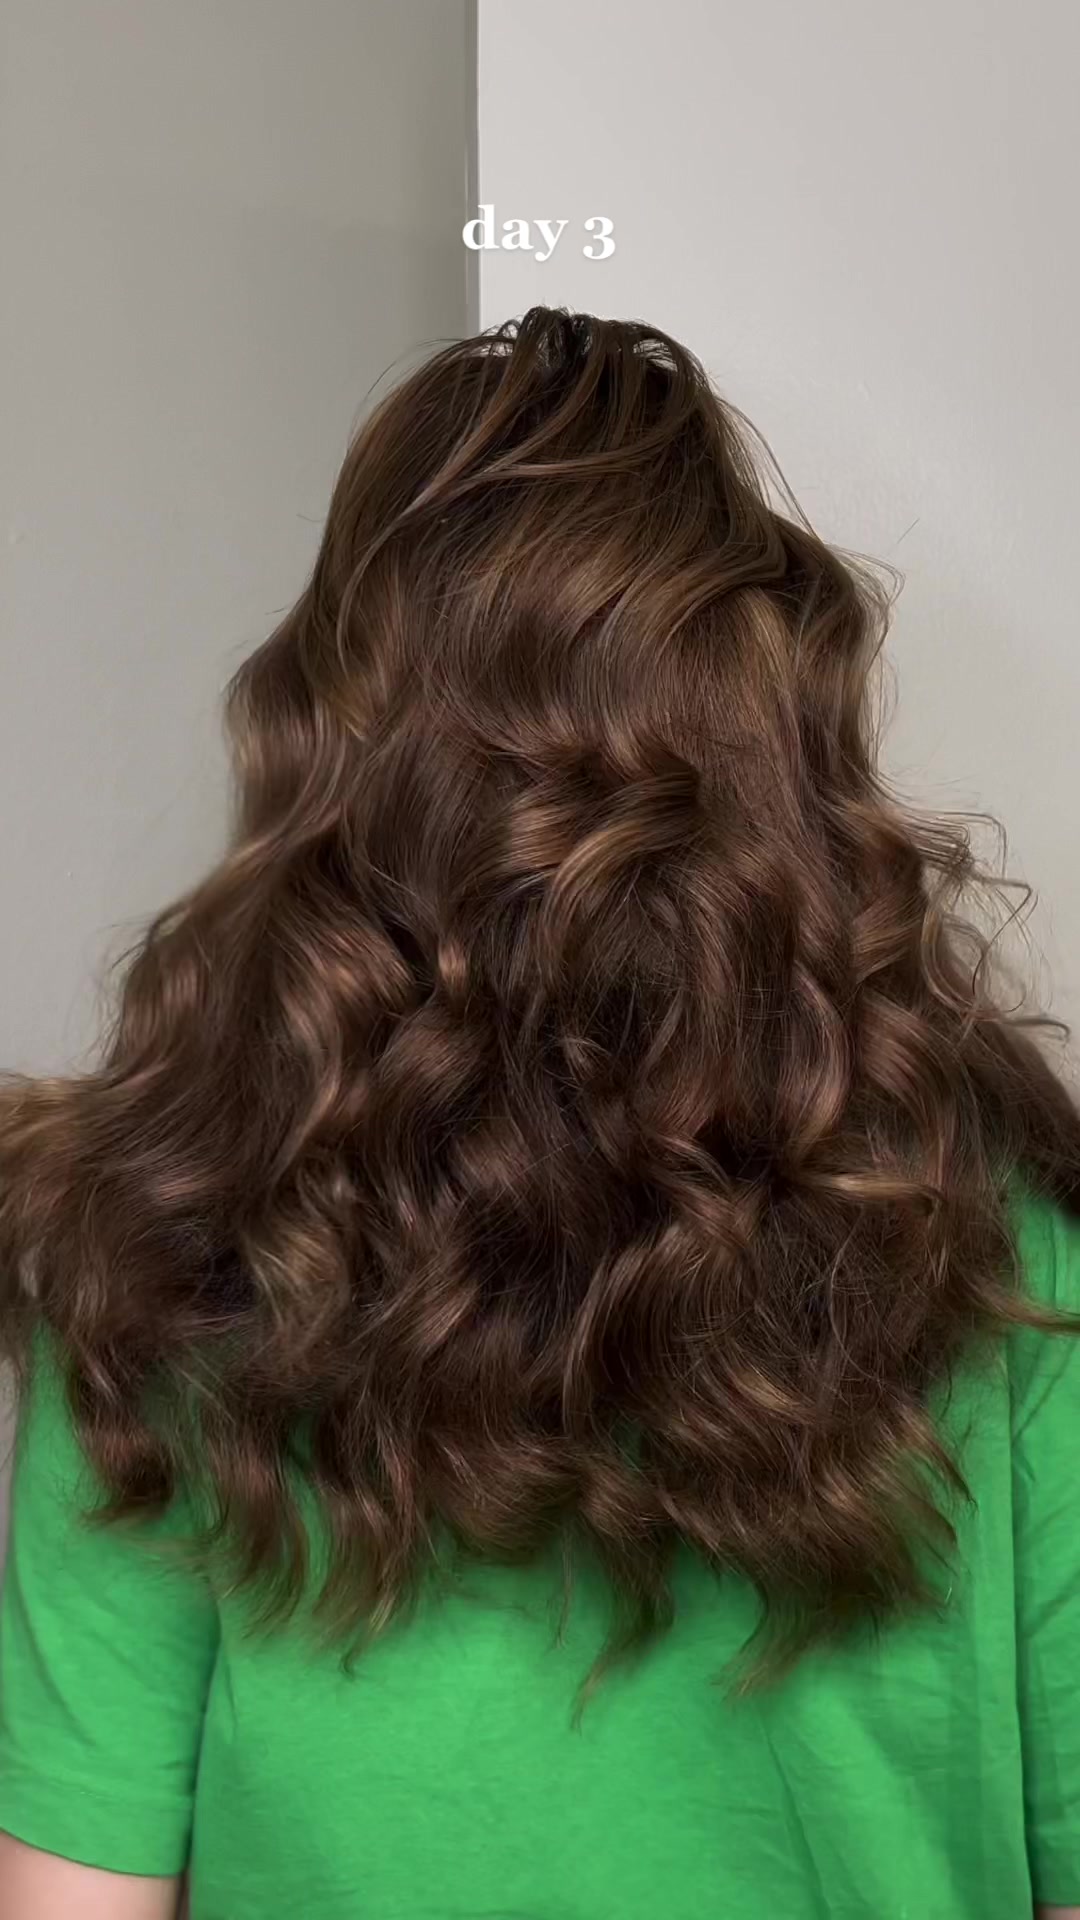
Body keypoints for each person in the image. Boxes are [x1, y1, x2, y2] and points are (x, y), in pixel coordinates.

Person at [0, 305, 1078, 1920]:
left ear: (331, 746)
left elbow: (77, 1902)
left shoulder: (152, 1242)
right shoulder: (996, 1243)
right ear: (775, 740)